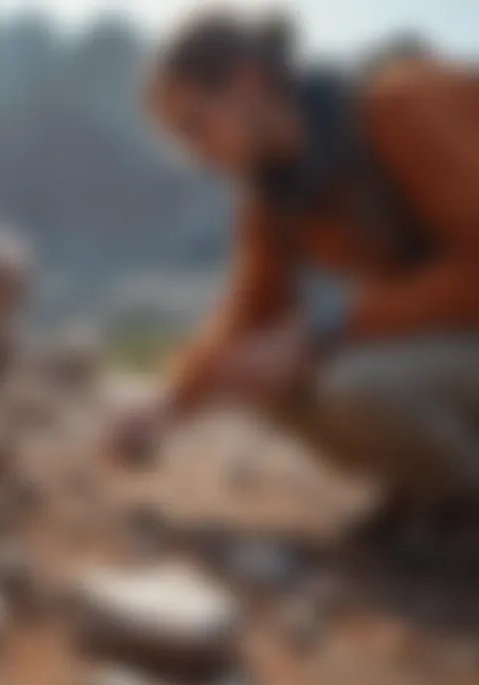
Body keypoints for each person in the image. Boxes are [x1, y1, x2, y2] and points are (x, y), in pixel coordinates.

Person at [109, 11, 479, 532]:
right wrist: (164, 408)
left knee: (358, 388)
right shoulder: (273, 195)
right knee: (256, 375)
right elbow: (248, 319)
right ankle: (429, 492)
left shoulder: (403, 105)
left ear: (247, 81)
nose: (196, 156)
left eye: (196, 125)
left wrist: (326, 327)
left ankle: (462, 508)